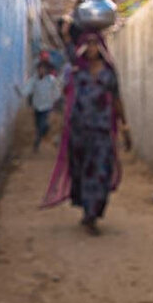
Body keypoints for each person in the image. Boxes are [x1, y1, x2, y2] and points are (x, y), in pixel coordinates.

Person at [41, 31, 131, 235]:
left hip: (101, 132)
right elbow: (64, 96)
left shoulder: (109, 73)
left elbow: (117, 99)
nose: (91, 49)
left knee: (100, 172)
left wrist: (125, 126)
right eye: (88, 44)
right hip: (79, 131)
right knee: (81, 172)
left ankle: (93, 214)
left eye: (95, 44)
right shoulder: (76, 72)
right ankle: (87, 210)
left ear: (101, 47)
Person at [15, 57, 62, 151]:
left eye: (43, 69)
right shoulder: (34, 80)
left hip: (47, 105)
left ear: (47, 70)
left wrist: (55, 98)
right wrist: (21, 92)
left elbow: (57, 90)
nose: (41, 71)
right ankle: (39, 138)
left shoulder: (51, 80)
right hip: (37, 106)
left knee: (42, 123)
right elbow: (28, 88)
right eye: (40, 68)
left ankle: (38, 140)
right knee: (38, 125)